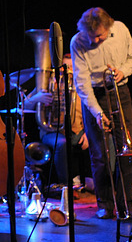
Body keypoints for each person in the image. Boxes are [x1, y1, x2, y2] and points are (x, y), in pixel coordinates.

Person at [70, 7, 132, 220]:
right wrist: (98, 113)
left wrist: (123, 71)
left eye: (100, 35)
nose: (96, 40)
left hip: (120, 89)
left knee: (125, 150)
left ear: (108, 27)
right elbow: (82, 83)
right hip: (94, 94)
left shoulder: (120, 29)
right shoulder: (78, 42)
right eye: (92, 36)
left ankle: (126, 205)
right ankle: (105, 205)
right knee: (100, 155)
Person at [25, 54, 92, 191]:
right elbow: (24, 106)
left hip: (77, 130)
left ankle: (96, 183)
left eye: (71, 68)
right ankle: (66, 185)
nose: (67, 72)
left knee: (99, 139)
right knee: (61, 143)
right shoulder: (47, 84)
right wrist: (37, 98)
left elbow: (90, 111)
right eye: (64, 68)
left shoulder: (81, 85)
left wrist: (88, 133)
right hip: (52, 132)